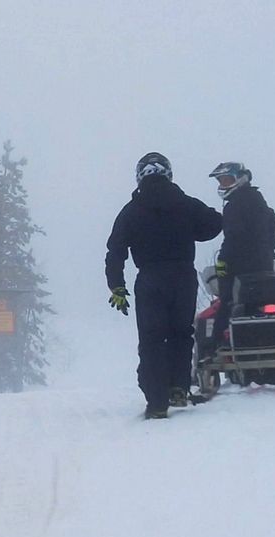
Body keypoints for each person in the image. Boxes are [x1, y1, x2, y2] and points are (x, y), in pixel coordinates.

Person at [105, 152, 222, 419]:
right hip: (183, 277)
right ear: (168, 174)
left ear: (139, 177)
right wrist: (191, 230)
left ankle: (157, 401)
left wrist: (117, 286)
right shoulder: (184, 203)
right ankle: (179, 387)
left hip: (150, 280)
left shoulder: (130, 211)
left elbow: (115, 251)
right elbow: (214, 224)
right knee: (181, 334)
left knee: (152, 339)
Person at [208, 162, 275, 347]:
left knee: (227, 301)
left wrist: (222, 261)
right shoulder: (256, 198)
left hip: (240, 266)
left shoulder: (235, 205)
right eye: (221, 181)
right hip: (263, 264)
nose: (223, 185)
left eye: (227, 180)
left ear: (240, 178)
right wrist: (268, 247)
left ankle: (216, 346)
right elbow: (274, 220)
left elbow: (233, 237)